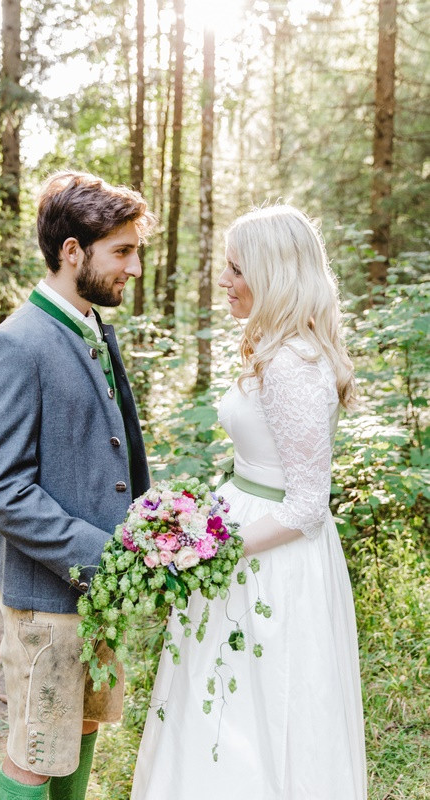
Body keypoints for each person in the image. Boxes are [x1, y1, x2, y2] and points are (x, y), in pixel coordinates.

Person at [131, 205, 367, 799]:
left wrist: (216, 548)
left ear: (273, 274)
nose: (225, 281)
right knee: (223, 704)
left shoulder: (293, 363)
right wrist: (195, 522)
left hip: (273, 564)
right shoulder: (274, 349)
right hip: (241, 537)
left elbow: (308, 503)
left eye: (236, 268)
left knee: (265, 707)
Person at [0, 171, 154, 800]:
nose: (134, 267)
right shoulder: (17, 344)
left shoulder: (90, 329)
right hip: (49, 599)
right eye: (122, 251)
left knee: (79, 729)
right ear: (72, 251)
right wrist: (104, 559)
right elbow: (1, 490)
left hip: (93, 596)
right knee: (36, 751)